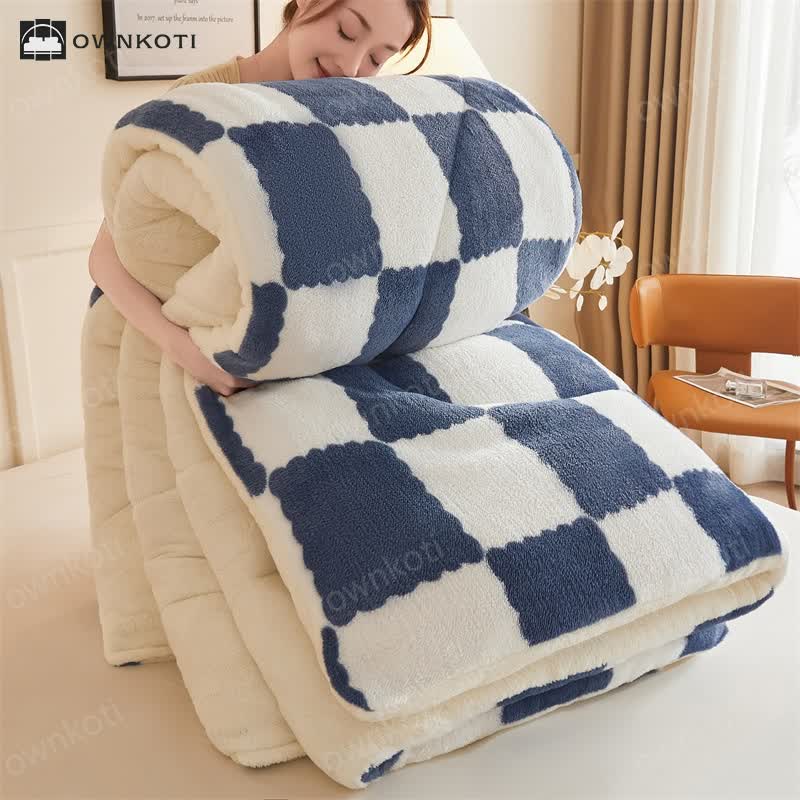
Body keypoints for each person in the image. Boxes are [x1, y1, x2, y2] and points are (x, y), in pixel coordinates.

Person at [89, 0, 432, 395]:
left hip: (280, 358)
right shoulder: (197, 101)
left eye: (376, 58)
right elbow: (104, 257)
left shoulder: (343, 114)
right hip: (182, 355)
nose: (352, 67)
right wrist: (193, 356)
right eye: (347, 31)